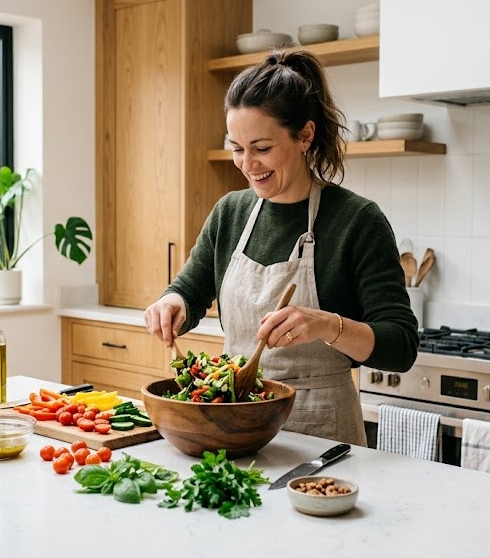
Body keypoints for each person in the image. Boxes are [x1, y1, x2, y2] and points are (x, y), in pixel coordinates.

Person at [143, 49, 418, 446]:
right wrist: (172, 305)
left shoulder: (357, 220)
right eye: (237, 148)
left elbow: (400, 346)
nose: (247, 163)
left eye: (262, 147)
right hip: (234, 425)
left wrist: (327, 325)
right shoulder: (231, 212)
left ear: (305, 135)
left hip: (321, 434)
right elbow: (189, 291)